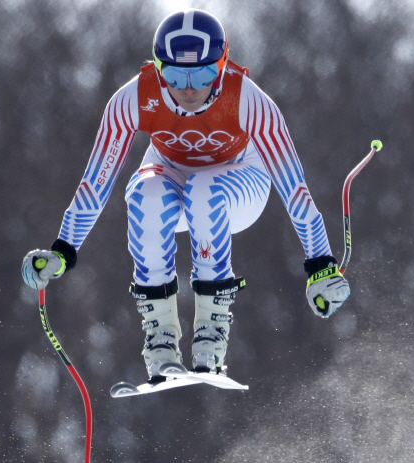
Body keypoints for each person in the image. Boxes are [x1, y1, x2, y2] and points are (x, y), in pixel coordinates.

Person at [21, 9, 350, 381]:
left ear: (222, 67)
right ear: (158, 69)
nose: (189, 88)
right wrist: (62, 251)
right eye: (175, 75)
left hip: (243, 181)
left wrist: (320, 262)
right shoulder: (134, 99)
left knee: (205, 190)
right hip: (173, 177)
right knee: (145, 194)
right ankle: (160, 340)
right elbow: (96, 181)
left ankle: (211, 337)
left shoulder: (246, 100)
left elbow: (294, 187)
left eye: (205, 73)